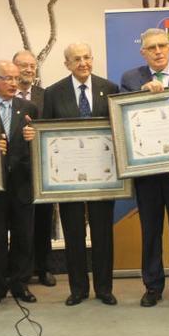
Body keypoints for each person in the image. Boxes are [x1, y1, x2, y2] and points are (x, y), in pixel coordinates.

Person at [119, 28, 169, 308]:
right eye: (151, 47)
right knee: (150, 231)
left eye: (162, 46)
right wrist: (141, 94)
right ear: (143, 52)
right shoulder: (131, 79)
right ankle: (152, 286)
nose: (157, 51)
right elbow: (124, 119)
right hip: (147, 173)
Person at [42, 42, 119, 306]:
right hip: (68, 179)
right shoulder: (53, 93)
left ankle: (104, 288)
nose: (83, 63)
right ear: (67, 64)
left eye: (87, 57)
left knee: (103, 234)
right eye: (76, 59)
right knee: (73, 234)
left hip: (103, 176)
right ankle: (78, 289)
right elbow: (47, 136)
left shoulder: (110, 89)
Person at [0, 60, 39, 305]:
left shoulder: (29, 108)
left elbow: (40, 146)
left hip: (23, 183)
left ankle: (20, 284)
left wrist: (34, 137)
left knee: (23, 236)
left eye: (16, 79)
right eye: (8, 78)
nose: (14, 83)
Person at [14, 49, 56, 288]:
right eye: (23, 66)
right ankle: (21, 269)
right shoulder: (5, 95)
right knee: (19, 224)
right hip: (15, 170)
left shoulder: (46, 95)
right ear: (13, 68)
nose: (29, 70)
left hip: (41, 169)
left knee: (43, 221)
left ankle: (44, 267)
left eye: (32, 66)